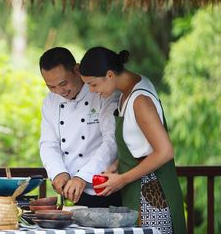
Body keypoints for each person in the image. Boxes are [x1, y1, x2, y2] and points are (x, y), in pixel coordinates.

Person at [79, 46, 186, 233]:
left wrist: (122, 179)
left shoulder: (140, 100)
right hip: (137, 191)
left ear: (110, 75)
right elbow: (141, 145)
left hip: (153, 196)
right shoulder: (128, 91)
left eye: (93, 84)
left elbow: (164, 152)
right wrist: (115, 166)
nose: (91, 90)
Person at [39, 47, 121, 207]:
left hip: (104, 188)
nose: (60, 91)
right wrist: (58, 172)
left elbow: (111, 141)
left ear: (76, 70)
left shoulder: (102, 92)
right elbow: (48, 143)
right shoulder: (50, 102)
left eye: (63, 83)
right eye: (51, 87)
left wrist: (83, 176)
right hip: (71, 192)